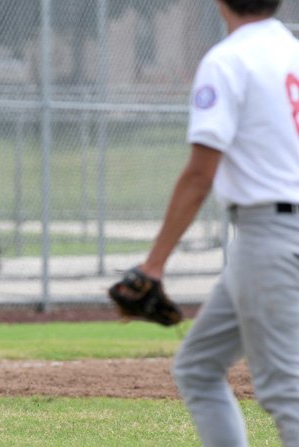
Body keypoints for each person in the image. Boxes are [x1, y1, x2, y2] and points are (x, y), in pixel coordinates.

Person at [136, 1, 299, 445]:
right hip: (274, 234)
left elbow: (200, 173)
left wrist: (153, 264)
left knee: (287, 392)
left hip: (269, 232)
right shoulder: (291, 50)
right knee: (198, 366)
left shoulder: (229, 59)